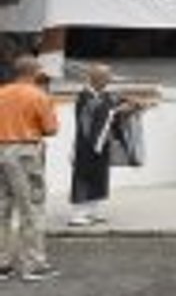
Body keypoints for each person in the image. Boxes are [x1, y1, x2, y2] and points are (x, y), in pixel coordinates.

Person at [0, 56, 58, 282]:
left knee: (2, 208)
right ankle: (33, 265)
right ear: (34, 72)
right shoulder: (38, 95)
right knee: (31, 207)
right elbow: (51, 129)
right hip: (25, 151)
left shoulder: (1, 92)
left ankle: (2, 265)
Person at [69, 63, 132, 226]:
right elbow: (95, 114)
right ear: (95, 78)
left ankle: (92, 210)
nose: (109, 79)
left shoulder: (105, 95)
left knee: (99, 175)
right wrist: (116, 110)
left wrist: (131, 106)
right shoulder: (84, 96)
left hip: (102, 141)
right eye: (106, 76)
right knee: (83, 175)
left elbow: (114, 106)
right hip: (86, 143)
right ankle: (78, 213)